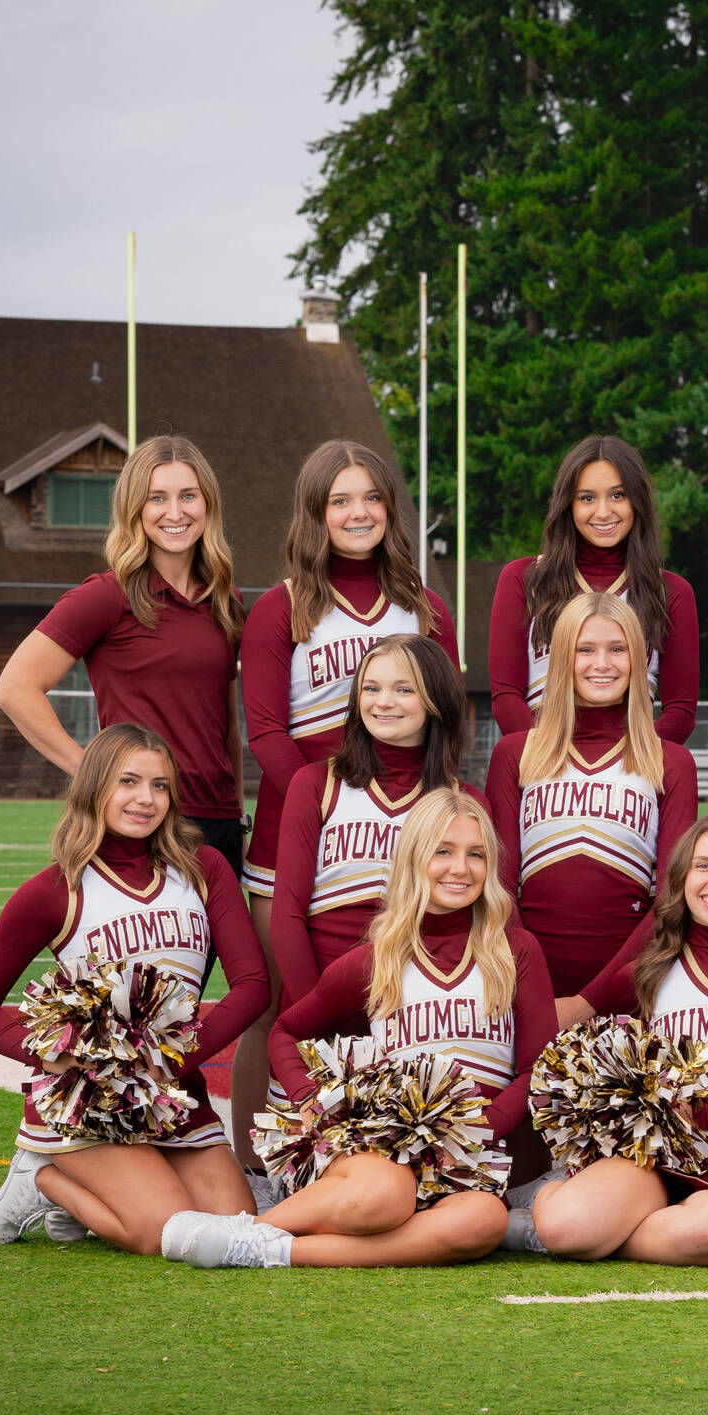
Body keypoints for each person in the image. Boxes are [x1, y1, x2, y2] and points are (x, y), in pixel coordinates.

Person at [169, 790, 554, 1268]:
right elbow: (285, 1031)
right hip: (383, 1150)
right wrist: (312, 1103)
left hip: (469, 1159)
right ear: (414, 858)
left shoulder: (516, 951)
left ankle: (273, 1248)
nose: (461, 868)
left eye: (476, 854)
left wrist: (477, 1131)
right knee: (386, 1194)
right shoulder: (378, 958)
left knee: (483, 1221)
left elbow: (539, 1068)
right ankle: (260, 1230)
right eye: (443, 851)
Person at [0, 724, 269, 1254]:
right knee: (165, 1232)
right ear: (95, 785)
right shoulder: (56, 890)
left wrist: (176, 1060)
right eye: (128, 782)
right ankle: (42, 1178)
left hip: (174, 1091)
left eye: (160, 785)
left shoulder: (203, 868)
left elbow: (252, 984)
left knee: (235, 1221)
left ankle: (83, 1186)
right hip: (88, 1101)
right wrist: (48, 1054)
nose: (145, 799)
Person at [233, 444, 457, 1166]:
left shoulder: (424, 609)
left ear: (390, 508)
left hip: (408, 835)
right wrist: (331, 803)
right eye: (338, 500)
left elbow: (446, 721)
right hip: (296, 842)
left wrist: (402, 811)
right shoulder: (281, 607)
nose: (356, 513)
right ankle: (254, 1165)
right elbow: (266, 729)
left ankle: (394, 1153)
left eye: (370, 498)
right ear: (315, 513)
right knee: (282, 1009)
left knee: (402, 1005)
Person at [529, 817, 708, 1265]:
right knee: (565, 1228)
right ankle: (549, 1210)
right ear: (680, 879)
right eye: (703, 866)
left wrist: (705, 1113)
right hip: (659, 1158)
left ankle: (612, 1232)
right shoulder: (644, 974)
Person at [0, 437, 247, 874]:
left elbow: (225, 722)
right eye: (157, 498)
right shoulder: (106, 595)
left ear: (208, 504)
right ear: (135, 509)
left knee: (211, 947)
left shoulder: (226, 600)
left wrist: (237, 811)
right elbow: (14, 689)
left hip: (219, 822)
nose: (175, 512)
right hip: (144, 821)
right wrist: (100, 779)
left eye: (189, 496)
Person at [486, 594, 698, 995]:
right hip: (526, 985)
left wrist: (589, 1000)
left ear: (637, 660)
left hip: (630, 987)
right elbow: (497, 890)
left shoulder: (670, 762)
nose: (602, 664)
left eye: (617, 649)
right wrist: (534, 991)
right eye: (586, 649)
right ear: (563, 658)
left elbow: (672, 900)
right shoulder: (516, 754)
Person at [271, 634, 477, 1014]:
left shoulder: (463, 803)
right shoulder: (317, 784)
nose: (383, 701)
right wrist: (317, 1012)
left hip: (416, 1009)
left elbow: (476, 926)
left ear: (435, 700)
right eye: (371, 688)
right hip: (320, 1000)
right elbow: (286, 918)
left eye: (404, 689)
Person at [486, 433, 698, 743]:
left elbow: (680, 711)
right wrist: (544, 757)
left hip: (630, 771)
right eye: (587, 497)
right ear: (567, 504)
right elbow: (506, 696)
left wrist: (628, 765)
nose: (603, 512)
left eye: (618, 495)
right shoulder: (525, 578)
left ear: (637, 501)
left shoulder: (669, 591)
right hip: (541, 766)